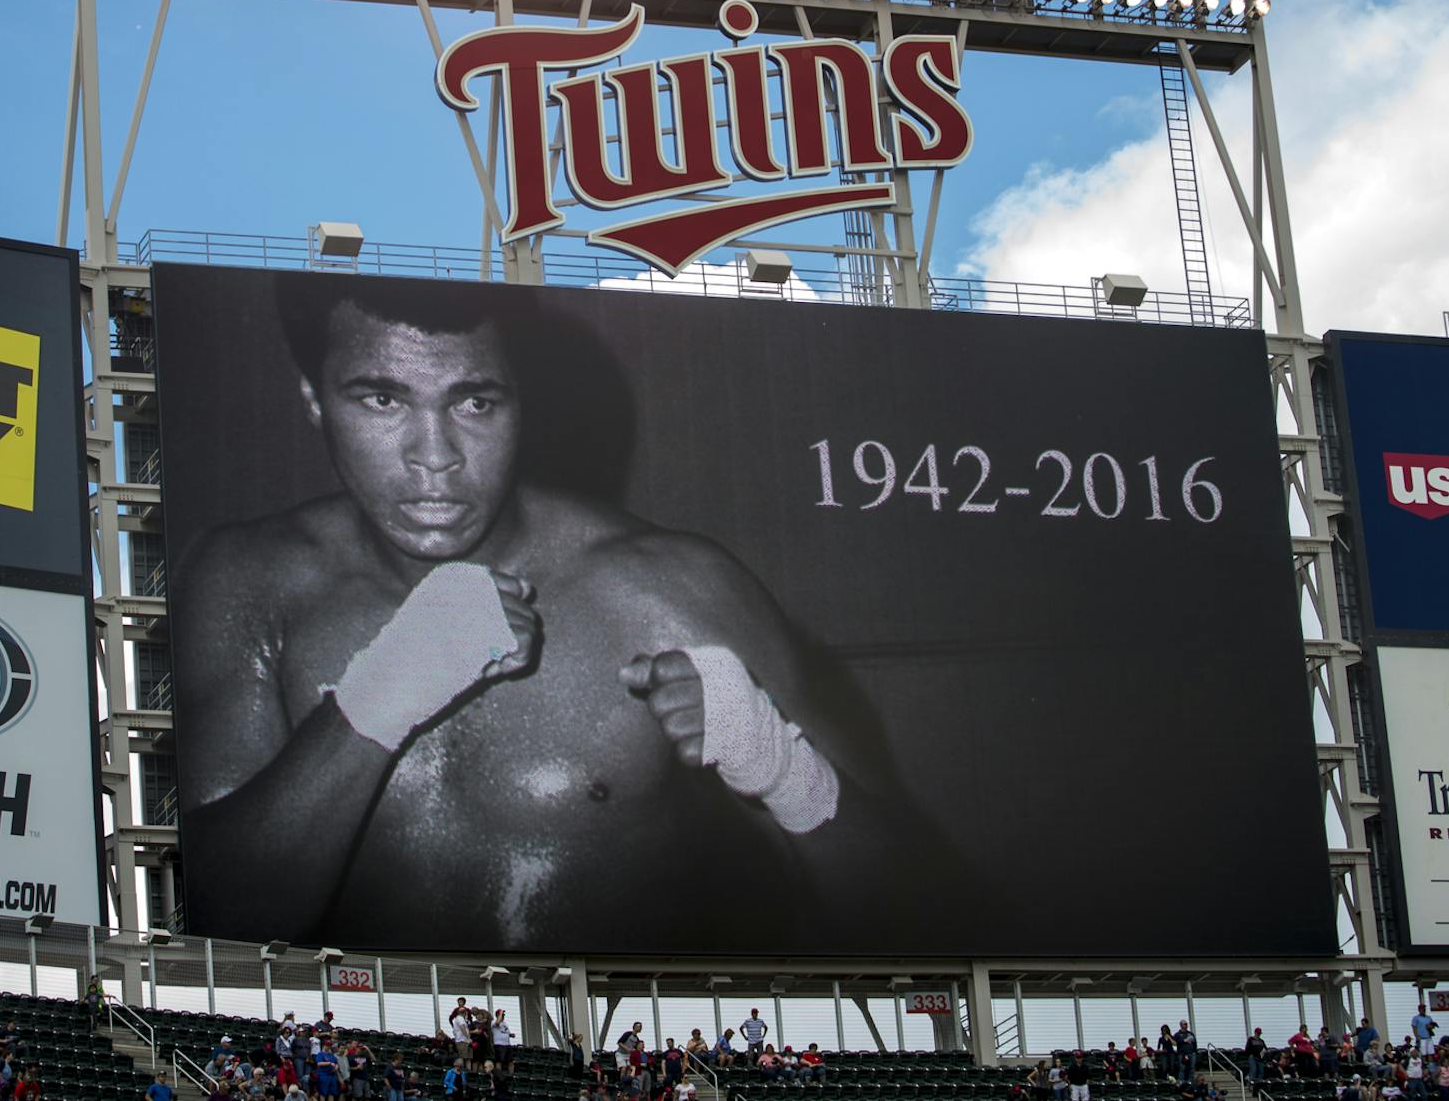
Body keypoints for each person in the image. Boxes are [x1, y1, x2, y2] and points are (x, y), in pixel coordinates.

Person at [174, 281, 935, 948]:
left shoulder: (673, 594)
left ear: (521, 398)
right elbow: (215, 916)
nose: (435, 455)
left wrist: (778, 760)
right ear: (313, 398)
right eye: (382, 398)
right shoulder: (249, 583)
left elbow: (911, 918)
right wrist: (378, 695)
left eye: (474, 401)